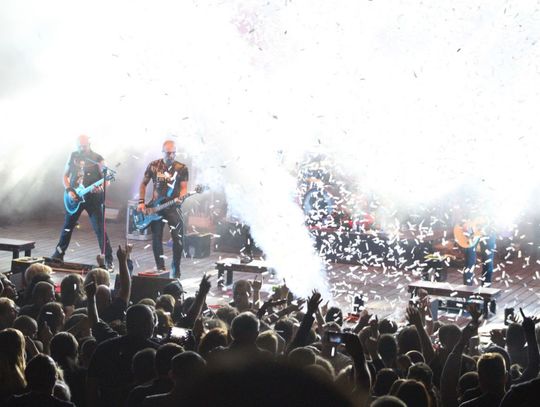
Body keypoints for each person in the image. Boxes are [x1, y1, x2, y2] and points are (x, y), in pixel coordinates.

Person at [51, 135, 114, 270]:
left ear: (89, 144)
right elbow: (65, 175)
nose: (81, 149)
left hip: (93, 199)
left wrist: (101, 187)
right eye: (79, 146)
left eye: (84, 146)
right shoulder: (73, 155)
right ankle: (58, 255)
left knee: (100, 229)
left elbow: (107, 179)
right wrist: (69, 190)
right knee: (67, 227)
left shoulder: (98, 158)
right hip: (75, 197)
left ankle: (108, 259)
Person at [138, 140, 189, 278]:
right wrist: (141, 202)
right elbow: (143, 184)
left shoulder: (181, 168)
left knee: (178, 238)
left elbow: (184, 188)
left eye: (173, 153)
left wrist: (182, 197)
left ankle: (176, 268)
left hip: (173, 207)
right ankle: (160, 267)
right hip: (156, 207)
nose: (171, 156)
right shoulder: (153, 165)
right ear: (162, 152)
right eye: (168, 153)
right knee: (156, 237)